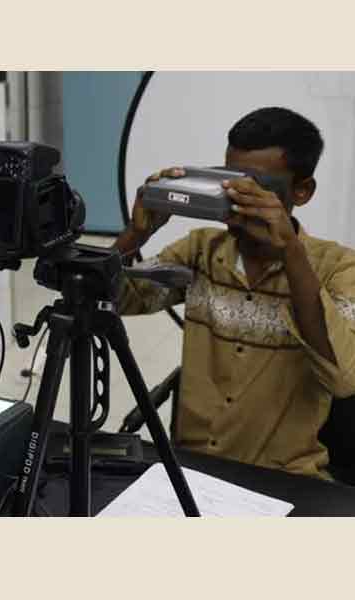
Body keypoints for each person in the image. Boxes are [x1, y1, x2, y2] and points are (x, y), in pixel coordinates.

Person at [114, 106, 355, 480]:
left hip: (286, 478)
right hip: (193, 468)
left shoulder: (337, 267)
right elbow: (115, 300)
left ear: (302, 190)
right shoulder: (201, 250)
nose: (238, 198)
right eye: (230, 181)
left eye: (257, 188)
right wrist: (136, 233)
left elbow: (343, 377)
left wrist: (290, 253)